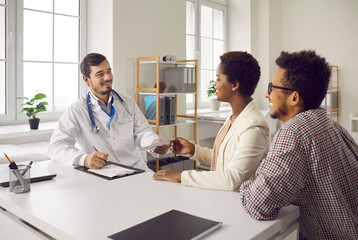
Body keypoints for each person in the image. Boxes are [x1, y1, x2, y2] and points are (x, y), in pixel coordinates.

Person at [239, 50, 358, 239]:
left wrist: (247, 185)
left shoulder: (293, 133)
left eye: (272, 87)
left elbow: (258, 205)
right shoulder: (332, 125)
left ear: (294, 98)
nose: (266, 94)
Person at [152, 51, 270, 191]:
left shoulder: (254, 126)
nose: (215, 84)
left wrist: (180, 176)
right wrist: (193, 149)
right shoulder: (234, 117)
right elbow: (226, 158)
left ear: (235, 85)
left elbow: (231, 179)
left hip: (238, 205)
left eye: (219, 79)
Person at [47, 53, 169, 170]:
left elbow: (142, 132)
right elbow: (56, 146)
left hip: (136, 168)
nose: (107, 77)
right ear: (86, 79)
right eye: (100, 74)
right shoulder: (76, 110)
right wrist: (84, 159)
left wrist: (154, 143)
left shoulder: (127, 102)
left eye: (109, 71)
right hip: (104, 172)